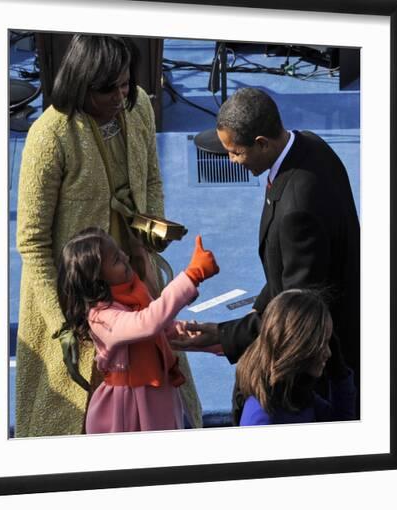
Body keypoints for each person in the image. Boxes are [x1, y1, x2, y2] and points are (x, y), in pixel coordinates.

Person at [15, 35, 202, 437]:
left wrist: (150, 236)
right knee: (75, 418)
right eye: (109, 89)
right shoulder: (49, 136)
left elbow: (151, 178)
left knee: (155, 384)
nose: (121, 95)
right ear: (82, 86)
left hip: (133, 275)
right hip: (75, 296)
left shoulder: (138, 111)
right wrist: (61, 324)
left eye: (124, 83)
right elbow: (31, 241)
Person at [172, 87, 361, 417]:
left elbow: (296, 312)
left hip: (320, 369)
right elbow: (282, 279)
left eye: (236, 153)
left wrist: (224, 337)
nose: (231, 160)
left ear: (261, 143)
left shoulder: (297, 210)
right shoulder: (309, 146)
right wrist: (230, 329)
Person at [57, 228, 219, 433]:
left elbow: (164, 330)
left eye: (120, 252)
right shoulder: (100, 318)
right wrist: (192, 275)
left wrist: (219, 340)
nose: (125, 257)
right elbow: (148, 323)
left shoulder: (133, 292)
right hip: (128, 410)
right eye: (116, 260)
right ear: (97, 280)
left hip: (159, 395)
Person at [236, 289, 356, 426]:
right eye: (321, 344)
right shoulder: (262, 418)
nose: (329, 353)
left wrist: (339, 373)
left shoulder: (294, 392)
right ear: (297, 347)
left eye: (329, 343)